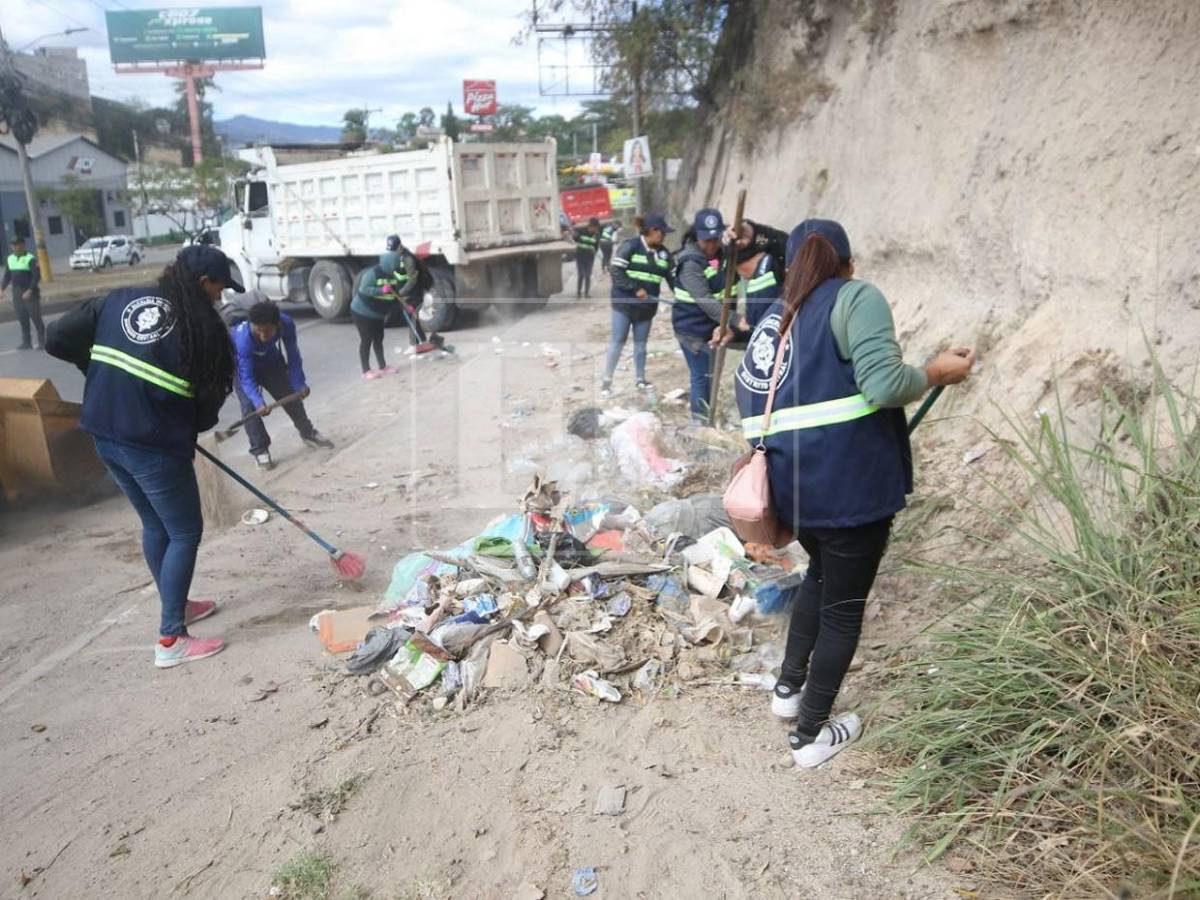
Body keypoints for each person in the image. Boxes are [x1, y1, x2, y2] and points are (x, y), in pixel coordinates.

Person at [733, 219, 973, 768]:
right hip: (848, 490)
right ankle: (811, 735)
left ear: (791, 266)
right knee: (843, 609)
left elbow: (750, 401)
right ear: (848, 262)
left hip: (792, 491)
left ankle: (788, 690)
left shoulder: (774, 317)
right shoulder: (855, 297)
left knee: (820, 577)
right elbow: (885, 384)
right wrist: (935, 371)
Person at [44, 245, 243, 668]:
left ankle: (179, 604)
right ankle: (171, 639)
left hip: (102, 431)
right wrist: (182, 423)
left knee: (156, 524)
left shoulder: (120, 298)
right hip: (152, 446)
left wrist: (97, 370)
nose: (220, 297)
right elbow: (207, 409)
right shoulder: (203, 330)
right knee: (185, 533)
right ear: (204, 282)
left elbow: (57, 338)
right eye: (219, 287)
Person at [232, 299, 334, 470]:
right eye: (259, 331)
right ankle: (260, 450)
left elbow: (293, 355)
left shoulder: (286, 324)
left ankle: (308, 433)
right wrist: (259, 402)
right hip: (243, 368)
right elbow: (247, 378)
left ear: (277, 324)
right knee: (249, 406)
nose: (263, 336)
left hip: (271, 361)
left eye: (268, 331)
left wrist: (299, 383)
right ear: (252, 325)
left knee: (290, 396)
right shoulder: (243, 339)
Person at [604, 213, 674, 397]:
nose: (664, 236)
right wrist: (635, 288)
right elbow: (616, 271)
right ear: (652, 231)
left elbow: (674, 279)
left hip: (646, 308)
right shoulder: (630, 246)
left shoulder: (664, 254)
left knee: (641, 344)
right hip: (624, 305)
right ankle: (607, 381)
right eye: (662, 232)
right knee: (618, 340)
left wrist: (683, 298)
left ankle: (640, 379)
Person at [672, 209, 729, 424]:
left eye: (716, 239)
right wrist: (733, 320)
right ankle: (699, 423)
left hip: (709, 327)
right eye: (707, 240)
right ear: (697, 236)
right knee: (700, 377)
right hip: (690, 330)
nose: (712, 245)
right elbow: (706, 301)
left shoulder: (719, 256)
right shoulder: (690, 263)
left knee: (710, 375)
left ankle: (708, 416)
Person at [351, 250, 411, 380]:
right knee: (366, 340)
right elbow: (364, 289)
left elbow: (396, 295)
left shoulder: (392, 276)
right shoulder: (371, 274)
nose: (396, 269)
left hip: (378, 314)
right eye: (394, 266)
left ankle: (383, 366)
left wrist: (406, 307)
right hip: (362, 312)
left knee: (379, 339)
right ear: (389, 264)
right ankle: (365, 371)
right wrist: (381, 290)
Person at [2, 236, 45, 350]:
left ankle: (42, 341)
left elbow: (36, 276)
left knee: (35, 317)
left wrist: (30, 290)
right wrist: (2, 289)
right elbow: (7, 276)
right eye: (13, 245)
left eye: (18, 244)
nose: (15, 247)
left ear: (23, 245)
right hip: (16, 292)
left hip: (30, 292)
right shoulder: (10, 258)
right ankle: (27, 342)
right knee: (22, 318)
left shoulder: (30, 258)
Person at [574, 217, 601, 298]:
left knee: (588, 275)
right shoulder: (581, 231)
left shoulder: (596, 235)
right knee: (581, 275)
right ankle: (578, 293)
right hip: (580, 257)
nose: (596, 229)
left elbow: (596, 247)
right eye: (595, 227)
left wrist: (594, 251)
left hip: (590, 258)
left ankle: (586, 293)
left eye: (597, 228)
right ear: (591, 226)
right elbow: (574, 239)